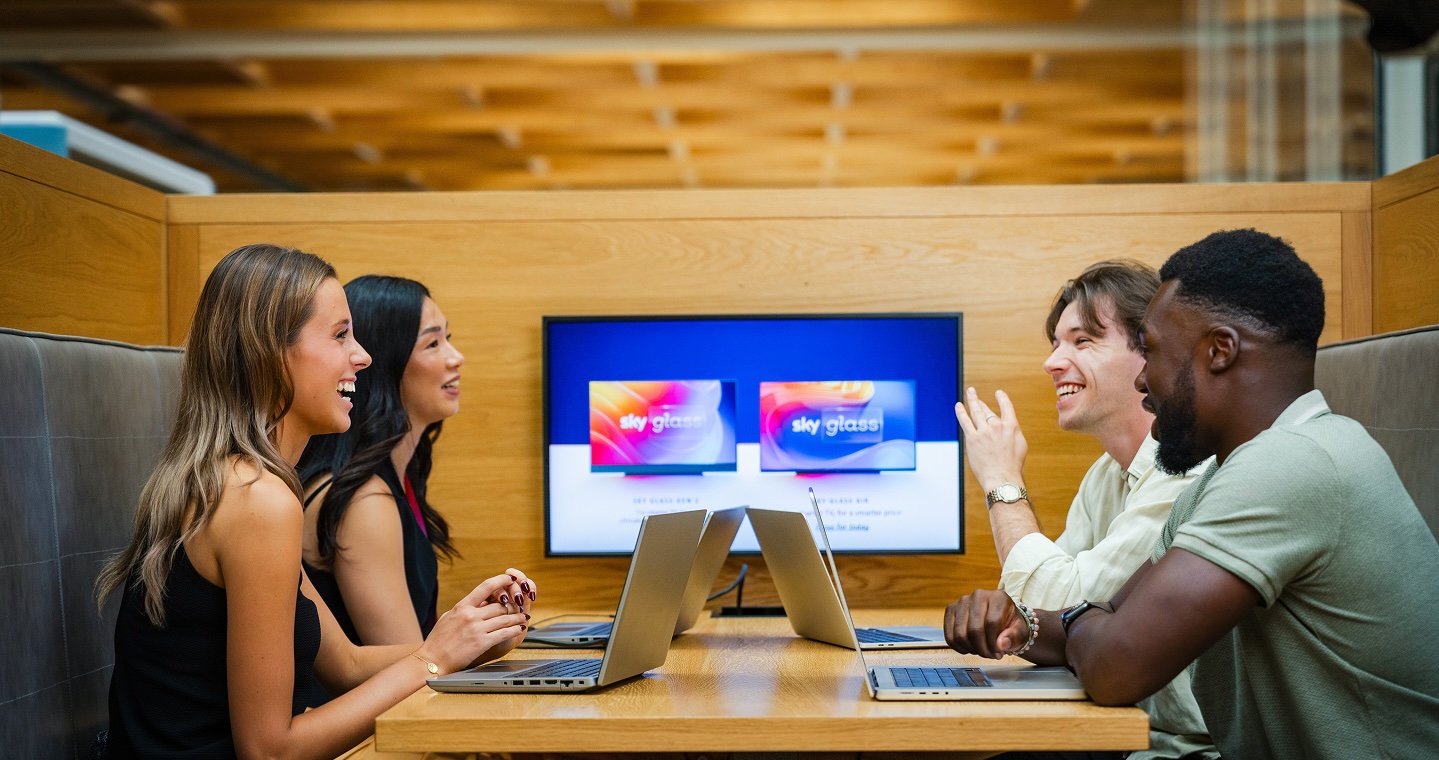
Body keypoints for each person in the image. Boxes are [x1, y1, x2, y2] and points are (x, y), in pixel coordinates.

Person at [944, 229, 1439, 758]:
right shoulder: (1223, 476)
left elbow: (1116, 666)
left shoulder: (1293, 463)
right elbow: (1101, 617)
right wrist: (1023, 625)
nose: (1142, 382)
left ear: (1219, 351)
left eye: (1153, 352)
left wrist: (1080, 620)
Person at [97, 244, 536, 759]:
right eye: (339, 335)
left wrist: (465, 643)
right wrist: (431, 662)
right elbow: (269, 751)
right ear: (268, 354)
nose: (363, 356)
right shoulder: (256, 501)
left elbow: (346, 664)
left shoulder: (245, 484)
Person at [952, 260, 1213, 760]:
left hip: (1171, 746)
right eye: (1055, 344)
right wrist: (1017, 620)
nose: (1053, 362)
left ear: (1148, 352)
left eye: (1082, 341)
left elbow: (1056, 598)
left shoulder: (1187, 473)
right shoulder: (1104, 475)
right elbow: (1044, 612)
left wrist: (1003, 481)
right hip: (1122, 728)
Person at [297, 276, 469, 660]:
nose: (456, 357)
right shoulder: (364, 501)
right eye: (433, 343)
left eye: (448, 338)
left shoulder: (397, 477)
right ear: (386, 361)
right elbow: (411, 669)